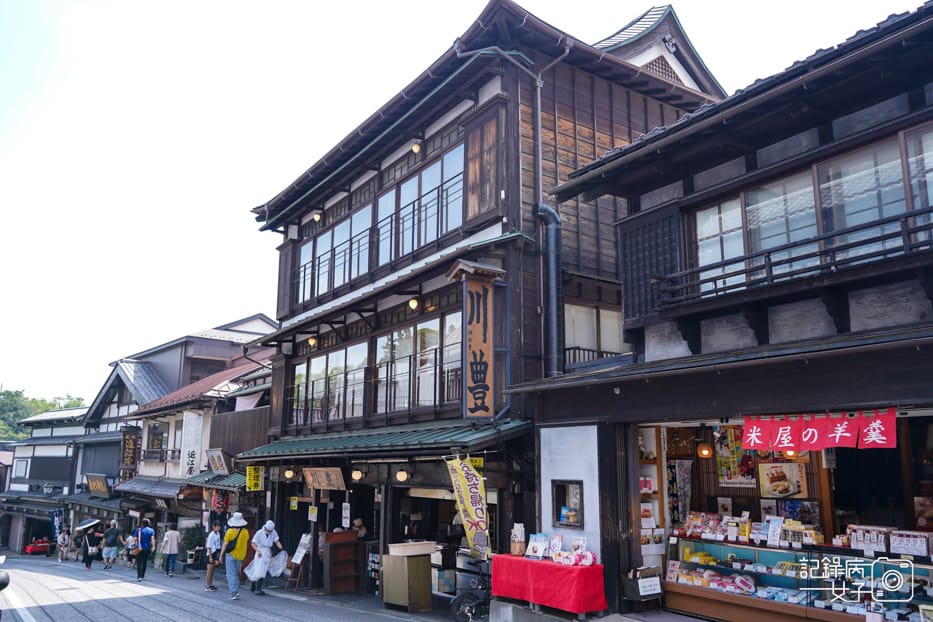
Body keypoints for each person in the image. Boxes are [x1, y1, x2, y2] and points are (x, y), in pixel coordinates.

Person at [219, 511, 250, 601]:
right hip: (240, 556)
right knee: (235, 574)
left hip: (230, 555)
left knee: (230, 574)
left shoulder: (229, 532)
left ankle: (233, 592)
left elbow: (225, 544)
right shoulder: (245, 532)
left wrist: (221, 555)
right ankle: (235, 591)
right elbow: (246, 543)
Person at [249, 519, 283, 595]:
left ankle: (254, 585)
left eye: (270, 531)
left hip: (267, 552)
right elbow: (253, 543)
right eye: (268, 530)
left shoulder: (273, 532)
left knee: (263, 570)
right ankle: (257, 588)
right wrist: (257, 550)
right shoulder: (259, 533)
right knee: (258, 569)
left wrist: (280, 547)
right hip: (260, 551)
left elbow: (276, 541)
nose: (269, 532)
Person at [134, 518, 155, 582]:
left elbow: (134, 539)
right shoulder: (151, 530)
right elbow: (152, 539)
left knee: (138, 562)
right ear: (148, 524)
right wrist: (153, 546)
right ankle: (142, 575)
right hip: (147, 548)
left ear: (142, 523)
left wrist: (134, 545)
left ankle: (139, 576)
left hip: (139, 548)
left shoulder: (138, 530)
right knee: (144, 562)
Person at [204, 520, 222, 592]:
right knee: (209, 570)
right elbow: (209, 546)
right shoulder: (211, 535)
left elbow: (218, 544)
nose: (219, 528)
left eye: (219, 527)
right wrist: (210, 556)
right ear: (213, 526)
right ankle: (208, 585)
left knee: (213, 570)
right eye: (217, 526)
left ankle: (211, 584)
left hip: (216, 552)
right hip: (211, 553)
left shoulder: (218, 533)